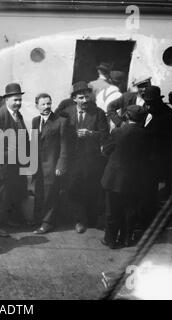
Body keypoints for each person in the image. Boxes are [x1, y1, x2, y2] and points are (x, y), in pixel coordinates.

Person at [101, 105, 152, 248]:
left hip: (114, 179)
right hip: (135, 179)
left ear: (127, 117)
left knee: (112, 210)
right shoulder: (147, 134)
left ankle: (110, 240)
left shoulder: (118, 132)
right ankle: (126, 239)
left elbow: (105, 151)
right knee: (130, 210)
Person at [61, 81, 109, 233]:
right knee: (74, 188)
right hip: (72, 159)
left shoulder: (98, 112)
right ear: (74, 98)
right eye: (81, 98)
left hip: (92, 160)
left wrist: (90, 134)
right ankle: (78, 220)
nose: (85, 101)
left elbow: (105, 135)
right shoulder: (66, 112)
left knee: (91, 189)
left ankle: (91, 219)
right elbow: (59, 133)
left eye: (87, 97)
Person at [0, 83, 29, 237]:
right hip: (2, 165)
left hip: (15, 164)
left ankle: (8, 220)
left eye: (20, 100)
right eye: (15, 100)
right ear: (7, 99)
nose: (18, 103)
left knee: (11, 194)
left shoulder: (18, 115)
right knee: (0, 196)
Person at [31, 93, 70, 234]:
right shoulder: (35, 121)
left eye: (49, 103)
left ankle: (47, 223)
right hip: (38, 166)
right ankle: (37, 219)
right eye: (43, 104)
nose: (47, 107)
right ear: (37, 106)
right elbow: (34, 143)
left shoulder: (61, 121)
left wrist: (61, 165)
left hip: (52, 165)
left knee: (51, 194)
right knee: (39, 192)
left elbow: (64, 146)